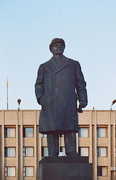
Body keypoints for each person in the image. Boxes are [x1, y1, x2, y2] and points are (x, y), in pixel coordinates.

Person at [35, 38, 88, 156]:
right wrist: (41, 99)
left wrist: (83, 99)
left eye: (60, 45)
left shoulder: (73, 64)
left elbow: (80, 83)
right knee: (52, 129)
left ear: (64, 48)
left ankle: (71, 150)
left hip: (68, 101)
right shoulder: (44, 66)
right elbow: (39, 84)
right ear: (51, 49)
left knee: (69, 127)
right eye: (55, 45)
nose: (58, 47)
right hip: (50, 102)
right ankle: (52, 152)